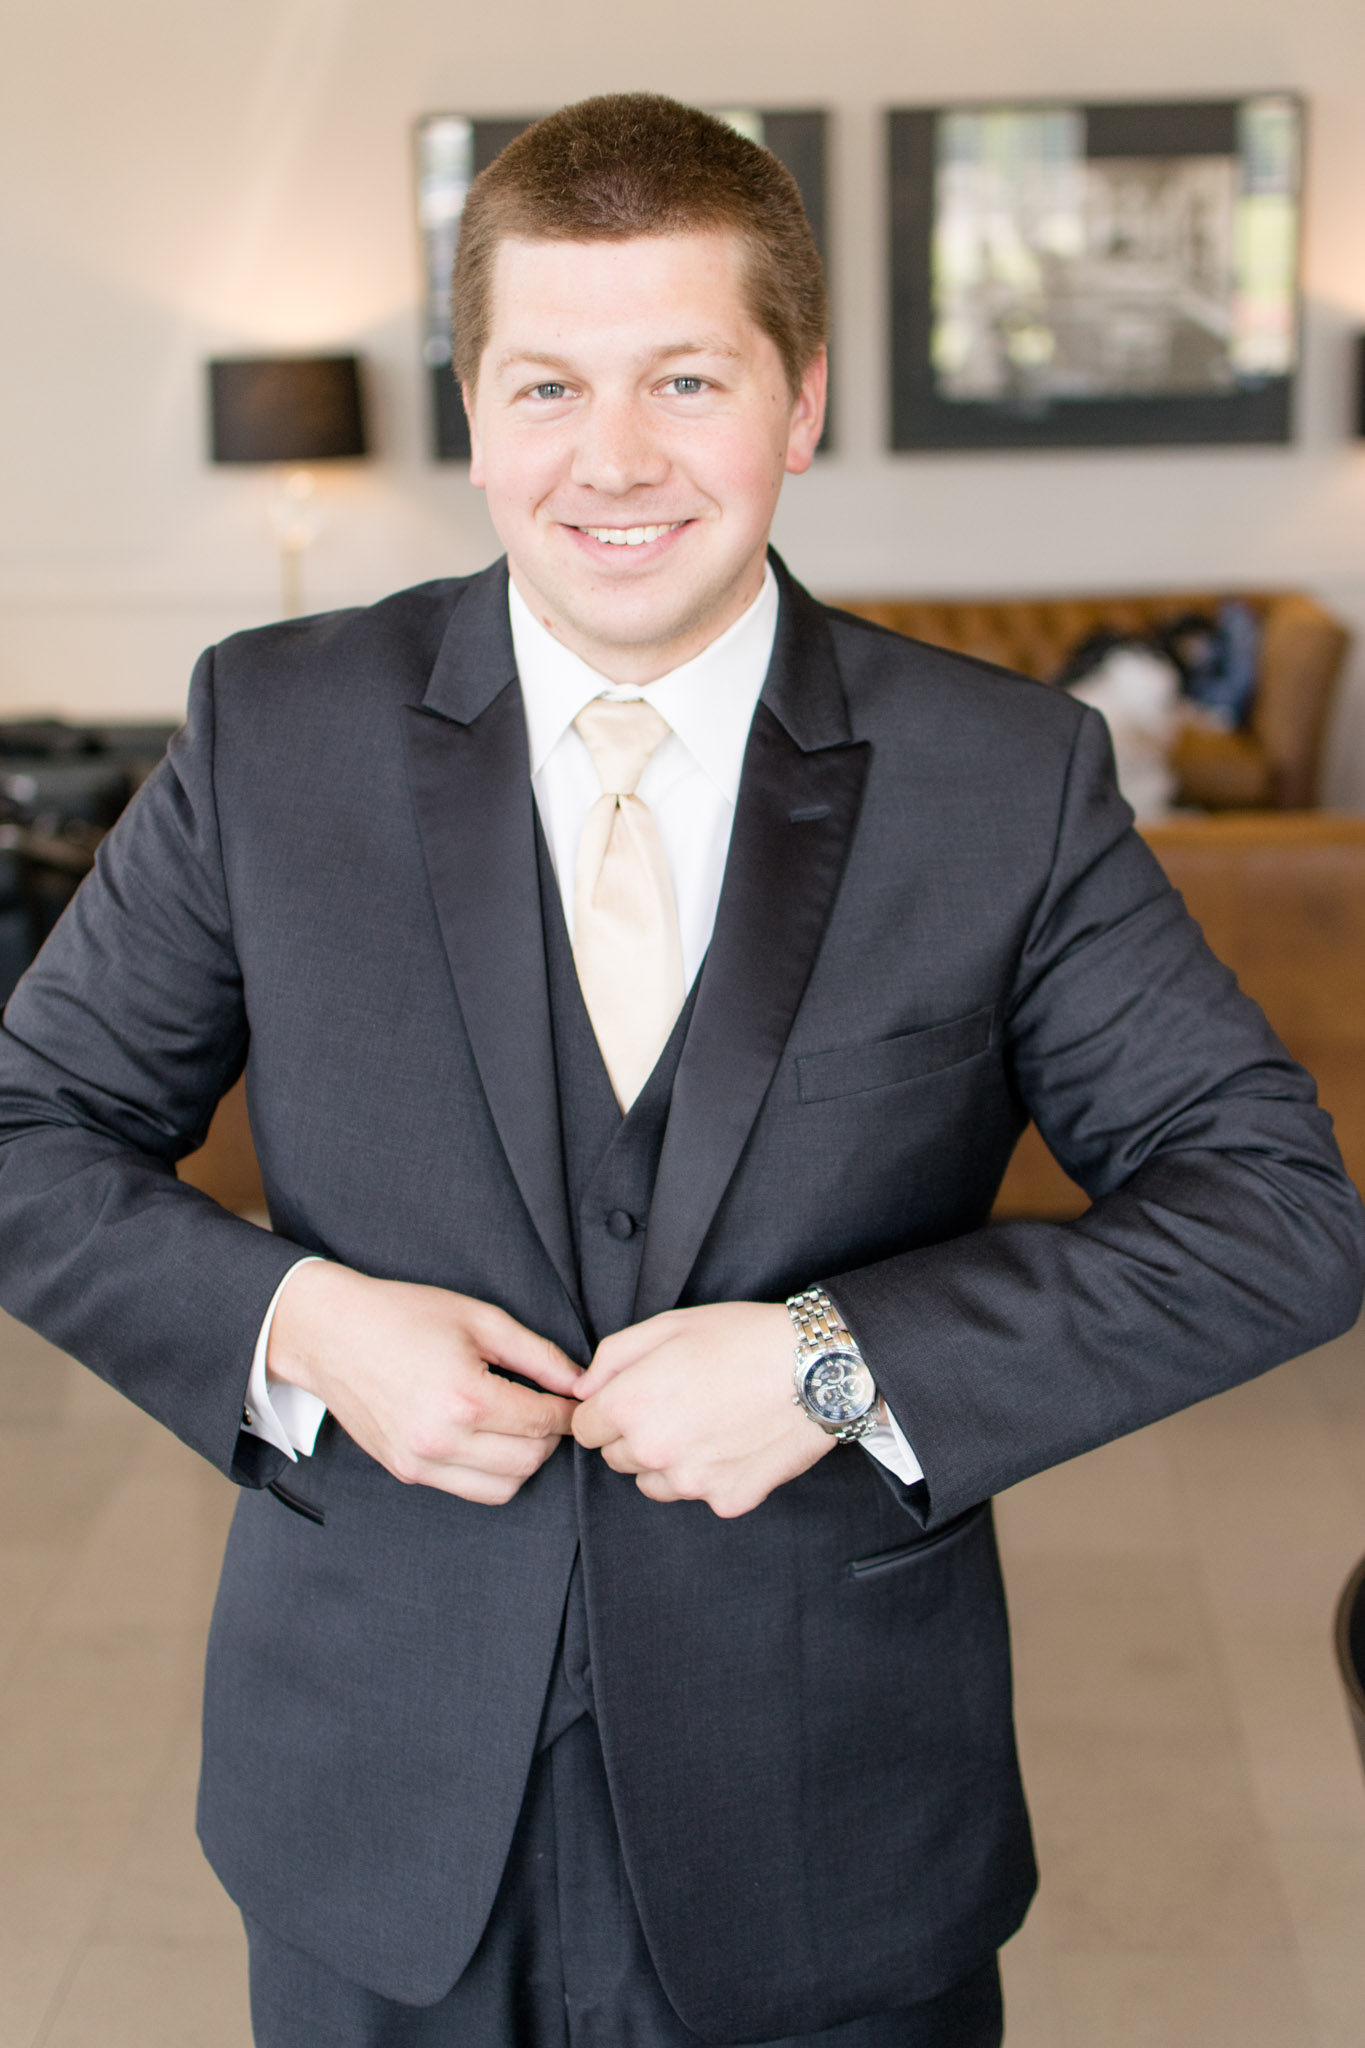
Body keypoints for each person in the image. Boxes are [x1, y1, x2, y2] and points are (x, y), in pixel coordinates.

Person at [0, 93, 1359, 2048]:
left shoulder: (1001, 777)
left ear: (797, 399)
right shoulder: (271, 730)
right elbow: (31, 1131)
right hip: (374, 1809)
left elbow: (1274, 1219)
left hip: (827, 1822)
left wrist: (838, 1362)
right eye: (544, 383)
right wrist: (298, 1326)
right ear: (471, 408)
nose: (610, 460)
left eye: (686, 378)